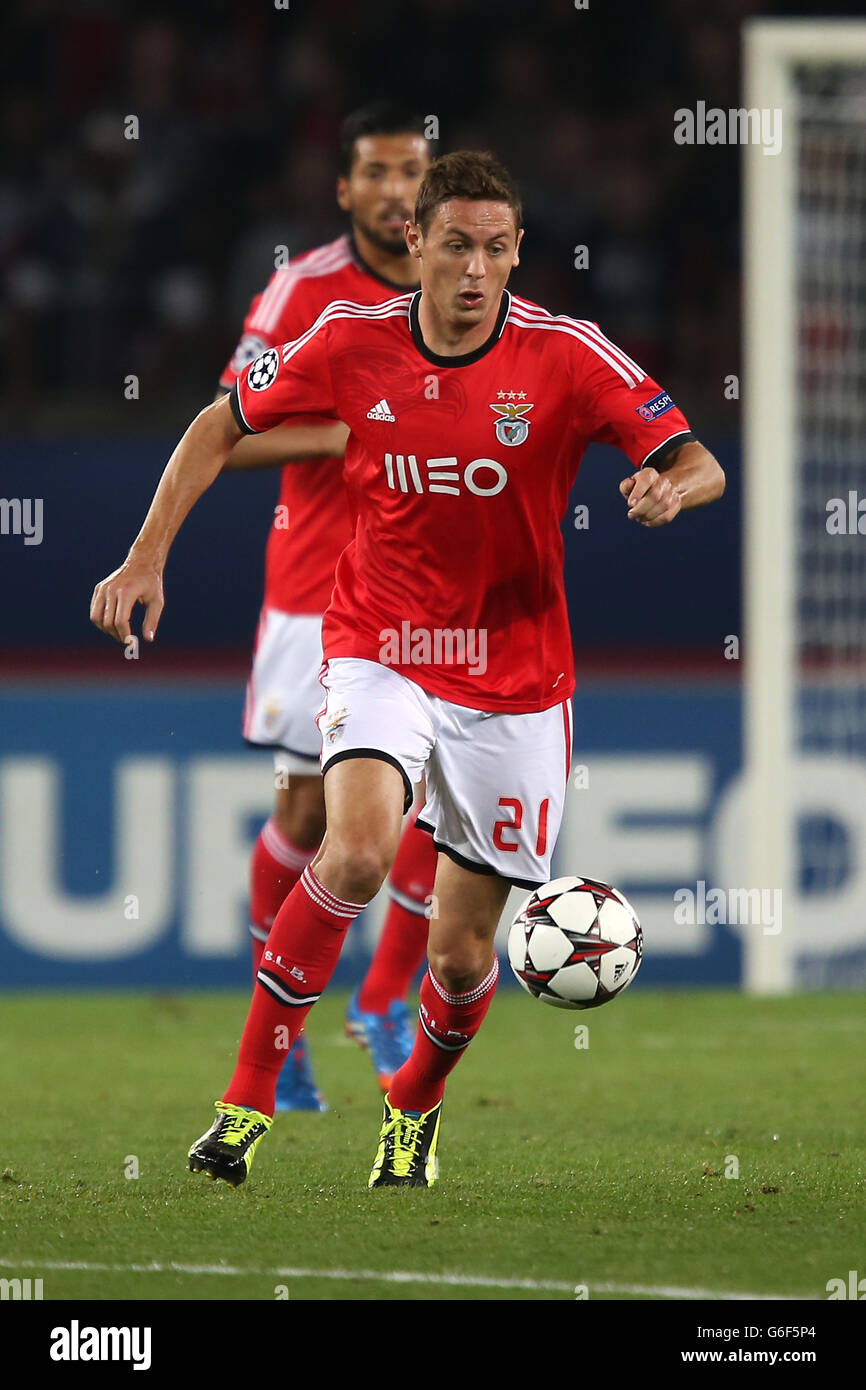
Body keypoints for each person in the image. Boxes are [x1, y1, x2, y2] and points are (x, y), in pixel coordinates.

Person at [91, 150, 725, 1189]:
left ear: (517, 252)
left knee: (462, 957)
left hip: (514, 673)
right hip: (380, 638)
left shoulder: (569, 355)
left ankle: (412, 1109)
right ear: (415, 242)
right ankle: (243, 1102)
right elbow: (219, 422)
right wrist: (146, 552)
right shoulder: (345, 341)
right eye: (458, 244)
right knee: (354, 852)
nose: (476, 269)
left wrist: (668, 492)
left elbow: (694, 458)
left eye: (497, 248)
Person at [215, 102, 439, 1107]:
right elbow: (231, 430)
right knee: (312, 816)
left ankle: (382, 994)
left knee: (445, 802)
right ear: (344, 188)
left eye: (411, 172)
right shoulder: (304, 289)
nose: (396, 191)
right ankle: (285, 1028)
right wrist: (348, 435)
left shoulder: (459, 283)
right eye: (377, 173)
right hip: (319, 590)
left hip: (434, 586)